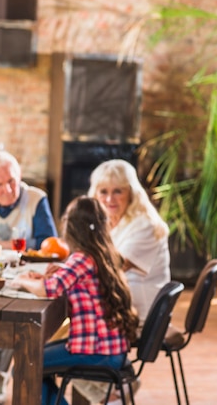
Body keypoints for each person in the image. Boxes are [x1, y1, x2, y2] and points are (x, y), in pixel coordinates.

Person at [10, 196, 139, 405]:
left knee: (26, 364)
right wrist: (60, 271)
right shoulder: (104, 254)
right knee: (33, 361)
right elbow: (81, 279)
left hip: (94, 350)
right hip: (112, 348)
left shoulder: (80, 258)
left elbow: (48, 290)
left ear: (70, 229)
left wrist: (22, 281)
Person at [0, 150, 58, 404]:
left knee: (15, 315)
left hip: (22, 277)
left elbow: (47, 242)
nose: (9, 188)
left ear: (20, 176)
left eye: (13, 180)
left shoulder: (37, 198)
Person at [73, 158, 171, 404]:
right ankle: (118, 385)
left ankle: (114, 393)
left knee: (61, 339)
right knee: (62, 330)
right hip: (120, 303)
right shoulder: (109, 222)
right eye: (103, 191)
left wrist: (70, 269)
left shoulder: (144, 224)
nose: (110, 199)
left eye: (118, 191)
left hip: (140, 312)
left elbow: (111, 266)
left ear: (132, 193)